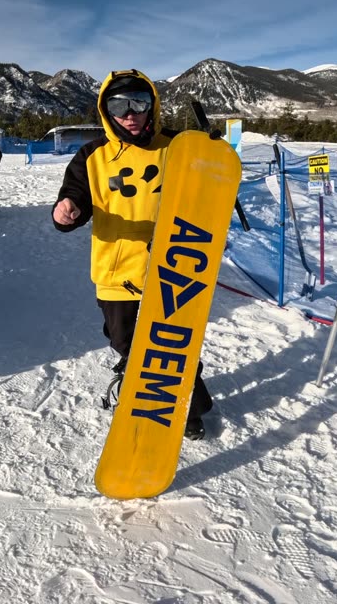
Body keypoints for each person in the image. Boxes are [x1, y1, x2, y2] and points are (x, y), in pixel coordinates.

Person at [50, 69, 214, 440]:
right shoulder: (92, 155)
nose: (130, 113)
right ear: (106, 110)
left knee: (173, 343)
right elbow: (73, 198)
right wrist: (66, 211)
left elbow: (209, 187)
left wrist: (213, 158)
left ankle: (188, 410)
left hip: (173, 267)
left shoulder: (179, 146)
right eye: (119, 104)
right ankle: (148, 392)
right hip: (115, 271)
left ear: (151, 105)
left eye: (139, 103)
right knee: (125, 342)